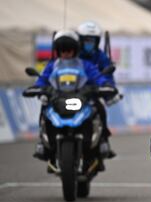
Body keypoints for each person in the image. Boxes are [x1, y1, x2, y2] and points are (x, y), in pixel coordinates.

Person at [32, 29, 117, 171]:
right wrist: (37, 88)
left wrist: (105, 85)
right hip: (57, 99)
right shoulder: (52, 65)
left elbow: (97, 77)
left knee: (99, 107)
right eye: (62, 51)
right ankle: (43, 143)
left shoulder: (85, 65)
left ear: (75, 50)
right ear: (58, 51)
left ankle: (102, 140)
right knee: (44, 107)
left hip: (81, 99)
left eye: (69, 51)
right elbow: (42, 79)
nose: (66, 54)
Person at [77, 21, 119, 159]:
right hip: (72, 92)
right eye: (87, 40)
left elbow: (107, 76)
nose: (89, 43)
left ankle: (103, 141)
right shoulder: (73, 55)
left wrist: (110, 90)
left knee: (100, 109)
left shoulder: (101, 56)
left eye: (92, 40)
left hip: (92, 93)